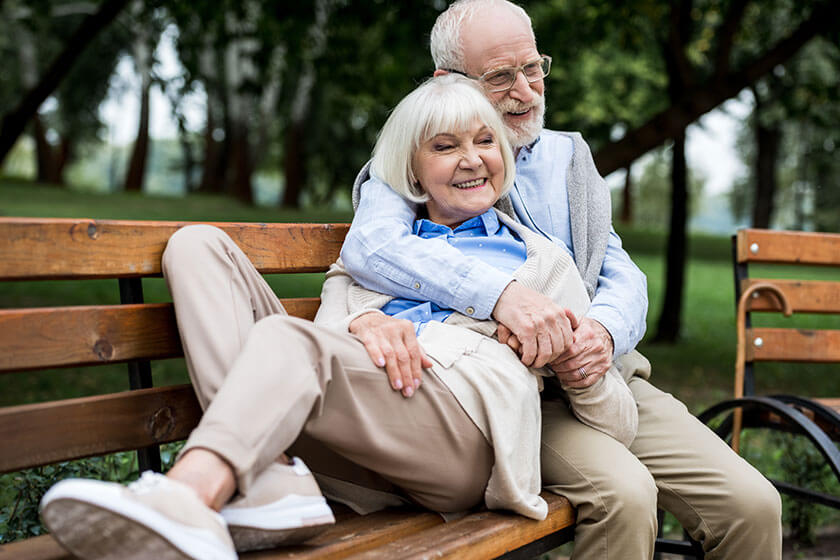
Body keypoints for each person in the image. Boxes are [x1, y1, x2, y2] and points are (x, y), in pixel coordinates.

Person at [38, 74, 635, 560]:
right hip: (350, 434)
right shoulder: (379, 252)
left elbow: (617, 422)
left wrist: (582, 370)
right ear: (412, 170)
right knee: (196, 244)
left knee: (284, 338)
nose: (472, 159)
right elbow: (315, 350)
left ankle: (189, 494)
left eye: (485, 142)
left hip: (460, 436)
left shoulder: (542, 263)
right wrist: (359, 325)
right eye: (445, 146)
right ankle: (268, 479)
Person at [340, 1, 783, 559]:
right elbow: (372, 246)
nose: (525, 91)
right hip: (506, 389)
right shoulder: (424, 153)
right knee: (624, 493)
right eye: (501, 76)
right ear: (448, 81)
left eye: (533, 68)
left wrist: (600, 335)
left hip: (606, 376)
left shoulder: (567, 158)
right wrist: (502, 297)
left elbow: (620, 271)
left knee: (754, 505)